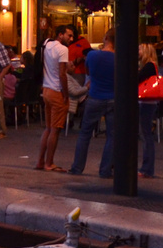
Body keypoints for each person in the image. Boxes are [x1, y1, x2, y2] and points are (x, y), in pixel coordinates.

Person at [69, 29, 116, 177]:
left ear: (106, 37)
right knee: (112, 136)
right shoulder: (120, 58)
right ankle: (105, 170)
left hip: (95, 96)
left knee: (85, 134)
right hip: (113, 97)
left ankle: (77, 167)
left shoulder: (92, 55)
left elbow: (88, 73)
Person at [38, 26, 74, 171]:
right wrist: (65, 94)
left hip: (46, 89)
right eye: (69, 35)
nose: (70, 39)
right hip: (57, 91)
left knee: (47, 128)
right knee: (55, 130)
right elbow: (62, 74)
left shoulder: (47, 45)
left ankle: (40, 161)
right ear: (60, 34)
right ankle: (49, 163)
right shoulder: (63, 50)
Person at [136, 43, 160, 179]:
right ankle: (146, 168)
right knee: (145, 134)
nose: (137, 51)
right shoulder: (150, 65)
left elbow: (138, 78)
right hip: (147, 103)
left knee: (146, 135)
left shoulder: (149, 66)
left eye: (139, 49)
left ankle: (147, 168)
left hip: (146, 103)